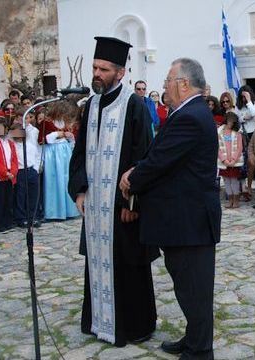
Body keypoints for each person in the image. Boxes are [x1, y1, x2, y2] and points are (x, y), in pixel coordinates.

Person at [119, 57, 221, 360]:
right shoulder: (187, 112)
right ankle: (193, 338)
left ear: (184, 84)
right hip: (182, 219)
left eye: (167, 81)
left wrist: (132, 178)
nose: (163, 86)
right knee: (186, 287)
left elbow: (161, 159)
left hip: (189, 220)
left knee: (195, 290)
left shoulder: (191, 116)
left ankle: (201, 351)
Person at [68, 36, 158, 347]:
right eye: (94, 67)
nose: (96, 73)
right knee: (96, 262)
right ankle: (98, 321)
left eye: (103, 69)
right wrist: (79, 190)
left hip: (121, 207)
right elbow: (79, 152)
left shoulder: (133, 105)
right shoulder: (90, 105)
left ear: (120, 73)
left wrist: (132, 201)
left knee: (128, 263)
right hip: (94, 206)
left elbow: (143, 157)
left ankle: (134, 326)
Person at [42, 100, 79, 220]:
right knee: (54, 179)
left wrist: (69, 137)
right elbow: (43, 139)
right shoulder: (47, 122)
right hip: (53, 152)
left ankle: (69, 209)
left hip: (65, 151)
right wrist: (58, 134)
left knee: (66, 178)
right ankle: (55, 211)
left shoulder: (64, 122)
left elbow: (71, 138)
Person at [12, 110, 42, 228]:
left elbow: (36, 154)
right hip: (20, 171)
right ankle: (21, 217)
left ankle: (33, 217)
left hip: (31, 170)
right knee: (21, 195)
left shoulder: (29, 144)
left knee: (33, 195)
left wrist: (36, 167)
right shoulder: (13, 145)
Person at [217, 112, 244, 209]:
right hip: (224, 162)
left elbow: (239, 148)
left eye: (232, 122)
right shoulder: (219, 133)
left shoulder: (237, 134)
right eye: (229, 121)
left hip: (234, 162)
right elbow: (217, 148)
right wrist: (224, 160)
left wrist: (233, 160)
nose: (230, 124)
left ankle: (236, 199)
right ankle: (230, 199)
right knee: (227, 181)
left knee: (234, 181)